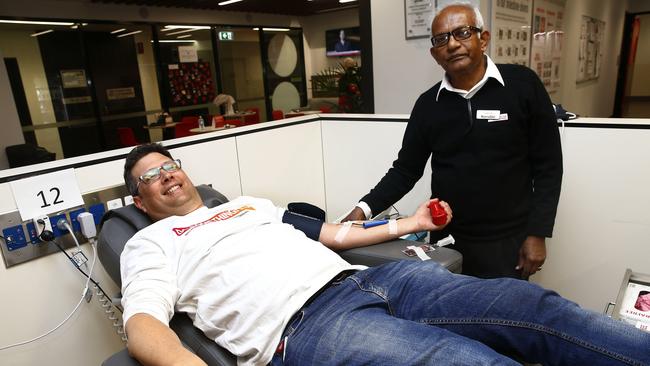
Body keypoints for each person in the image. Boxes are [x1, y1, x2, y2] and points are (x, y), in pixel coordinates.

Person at [120, 143, 650, 366]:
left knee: (533, 307)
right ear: (140, 202)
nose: (165, 174)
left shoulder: (248, 205)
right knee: (471, 363)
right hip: (304, 326)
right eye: (149, 176)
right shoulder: (151, 241)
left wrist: (414, 223)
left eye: (169, 164)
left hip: (372, 280)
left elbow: (335, 234)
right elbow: (142, 323)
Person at [342, 1, 563, 280]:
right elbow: (406, 170)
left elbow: (549, 166)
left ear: (483, 39)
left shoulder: (523, 86)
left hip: (509, 241)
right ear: (435, 53)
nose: (453, 44)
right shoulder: (428, 105)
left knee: (502, 319)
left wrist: (538, 233)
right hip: (448, 240)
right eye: (441, 39)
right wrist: (363, 210)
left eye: (462, 33)